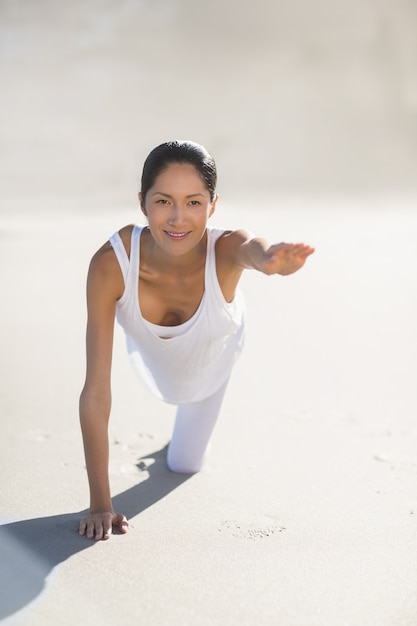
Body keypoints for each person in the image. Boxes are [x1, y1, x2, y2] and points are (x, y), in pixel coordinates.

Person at [78, 140, 315, 541]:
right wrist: (101, 504)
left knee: (184, 463)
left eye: (193, 202)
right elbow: (96, 392)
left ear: (213, 205)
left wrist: (271, 260)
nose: (177, 218)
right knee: (174, 411)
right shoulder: (111, 264)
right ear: (142, 203)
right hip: (159, 357)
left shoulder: (224, 249)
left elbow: (251, 249)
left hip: (214, 352)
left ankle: (189, 424)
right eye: (163, 201)